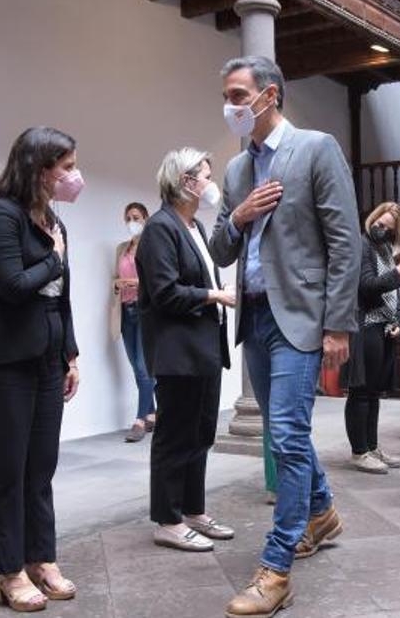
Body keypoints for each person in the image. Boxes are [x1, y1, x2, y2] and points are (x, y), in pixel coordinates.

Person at [209, 55, 361, 618]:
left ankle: (276, 568)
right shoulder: (235, 171)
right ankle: (321, 510)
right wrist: (239, 215)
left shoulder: (315, 149)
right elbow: (222, 251)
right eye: (226, 96)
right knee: (285, 432)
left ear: (269, 95)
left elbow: (344, 241)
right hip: (254, 317)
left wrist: (339, 324)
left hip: (300, 315)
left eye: (237, 94)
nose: (230, 106)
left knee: (287, 437)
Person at [0, 127, 82, 612]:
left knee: (40, 467)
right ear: (39, 168)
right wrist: (53, 259)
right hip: (0, 362)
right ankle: (8, 570)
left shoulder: (54, 220)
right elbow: (12, 285)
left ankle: (41, 558)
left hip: (46, 358)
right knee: (6, 469)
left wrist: (70, 354)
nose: (74, 175)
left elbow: (62, 299)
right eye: (67, 166)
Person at [137, 148, 236, 552]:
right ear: (184, 181)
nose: (211, 183)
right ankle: (167, 519)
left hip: (204, 349)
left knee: (200, 434)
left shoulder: (193, 225)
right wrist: (214, 294)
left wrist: (214, 295)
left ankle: (193, 510)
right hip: (178, 351)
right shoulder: (161, 227)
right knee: (174, 437)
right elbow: (164, 292)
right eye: (205, 175)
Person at [341, 202, 400, 474]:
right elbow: (367, 287)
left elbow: (392, 294)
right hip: (365, 325)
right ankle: (358, 452)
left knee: (374, 392)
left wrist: (397, 319)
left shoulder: (384, 248)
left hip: (384, 327)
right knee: (360, 391)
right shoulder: (362, 245)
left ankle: (372, 446)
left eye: (387, 228)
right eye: (379, 223)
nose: (381, 229)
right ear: (371, 219)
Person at [112, 202, 157, 443]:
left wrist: (137, 284)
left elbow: (157, 281)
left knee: (143, 367)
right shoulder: (122, 249)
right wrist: (118, 283)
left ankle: (140, 419)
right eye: (128, 217)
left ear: (146, 219)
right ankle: (152, 413)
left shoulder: (152, 247)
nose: (132, 222)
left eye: (136, 217)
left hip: (145, 311)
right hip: (125, 312)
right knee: (136, 365)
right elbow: (114, 278)